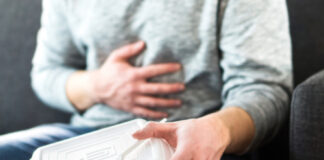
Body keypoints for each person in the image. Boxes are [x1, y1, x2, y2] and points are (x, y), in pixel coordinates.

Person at [0, 0, 292, 159]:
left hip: (192, 141)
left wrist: (218, 129)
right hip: (88, 138)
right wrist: (97, 85)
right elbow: (47, 72)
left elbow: (265, 89)